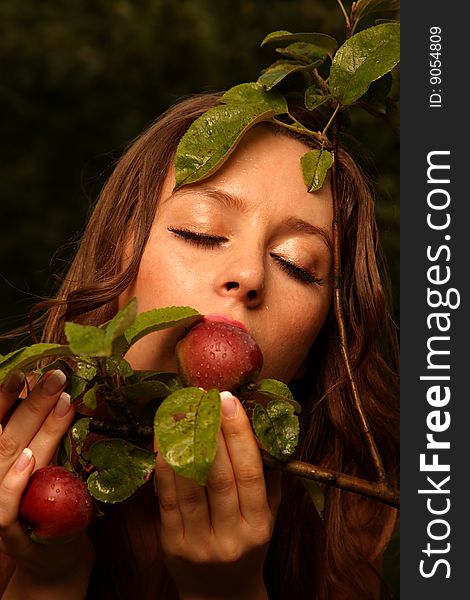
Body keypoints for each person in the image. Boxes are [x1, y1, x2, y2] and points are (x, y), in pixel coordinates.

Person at [0, 92, 399, 599]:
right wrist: (44, 580)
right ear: (113, 267)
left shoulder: (344, 525)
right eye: (201, 233)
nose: (250, 275)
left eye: (297, 264)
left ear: (313, 351)